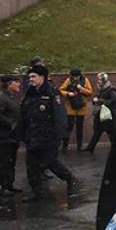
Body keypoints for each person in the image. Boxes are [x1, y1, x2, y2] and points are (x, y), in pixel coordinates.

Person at [18, 64, 78, 201]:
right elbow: (23, 114)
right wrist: (20, 133)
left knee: (50, 162)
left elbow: (59, 115)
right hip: (32, 135)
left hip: (48, 135)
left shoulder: (52, 92)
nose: (30, 79)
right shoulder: (30, 92)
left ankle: (69, 178)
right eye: (29, 77)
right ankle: (36, 192)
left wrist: (61, 135)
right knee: (31, 165)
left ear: (42, 77)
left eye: (33, 76)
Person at [0, 75, 23, 195]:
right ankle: (2, 185)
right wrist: (11, 124)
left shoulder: (13, 97)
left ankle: (9, 184)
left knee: (11, 161)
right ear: (9, 84)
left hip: (13, 136)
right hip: (3, 137)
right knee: (2, 162)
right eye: (17, 82)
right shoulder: (1, 98)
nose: (19, 85)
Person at [59, 68, 93, 152]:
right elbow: (61, 90)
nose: (75, 78)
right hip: (70, 107)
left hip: (81, 107)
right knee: (69, 127)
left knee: (79, 127)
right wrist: (68, 94)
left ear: (79, 75)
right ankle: (65, 146)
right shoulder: (68, 81)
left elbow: (90, 92)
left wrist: (81, 88)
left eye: (77, 76)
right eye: (73, 76)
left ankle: (79, 146)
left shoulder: (85, 80)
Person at [86, 72, 116, 153]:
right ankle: (90, 148)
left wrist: (100, 101)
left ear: (104, 80)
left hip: (107, 115)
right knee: (97, 131)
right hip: (99, 114)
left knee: (111, 132)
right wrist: (94, 100)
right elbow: (96, 97)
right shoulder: (99, 88)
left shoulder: (111, 89)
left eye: (100, 79)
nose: (98, 81)